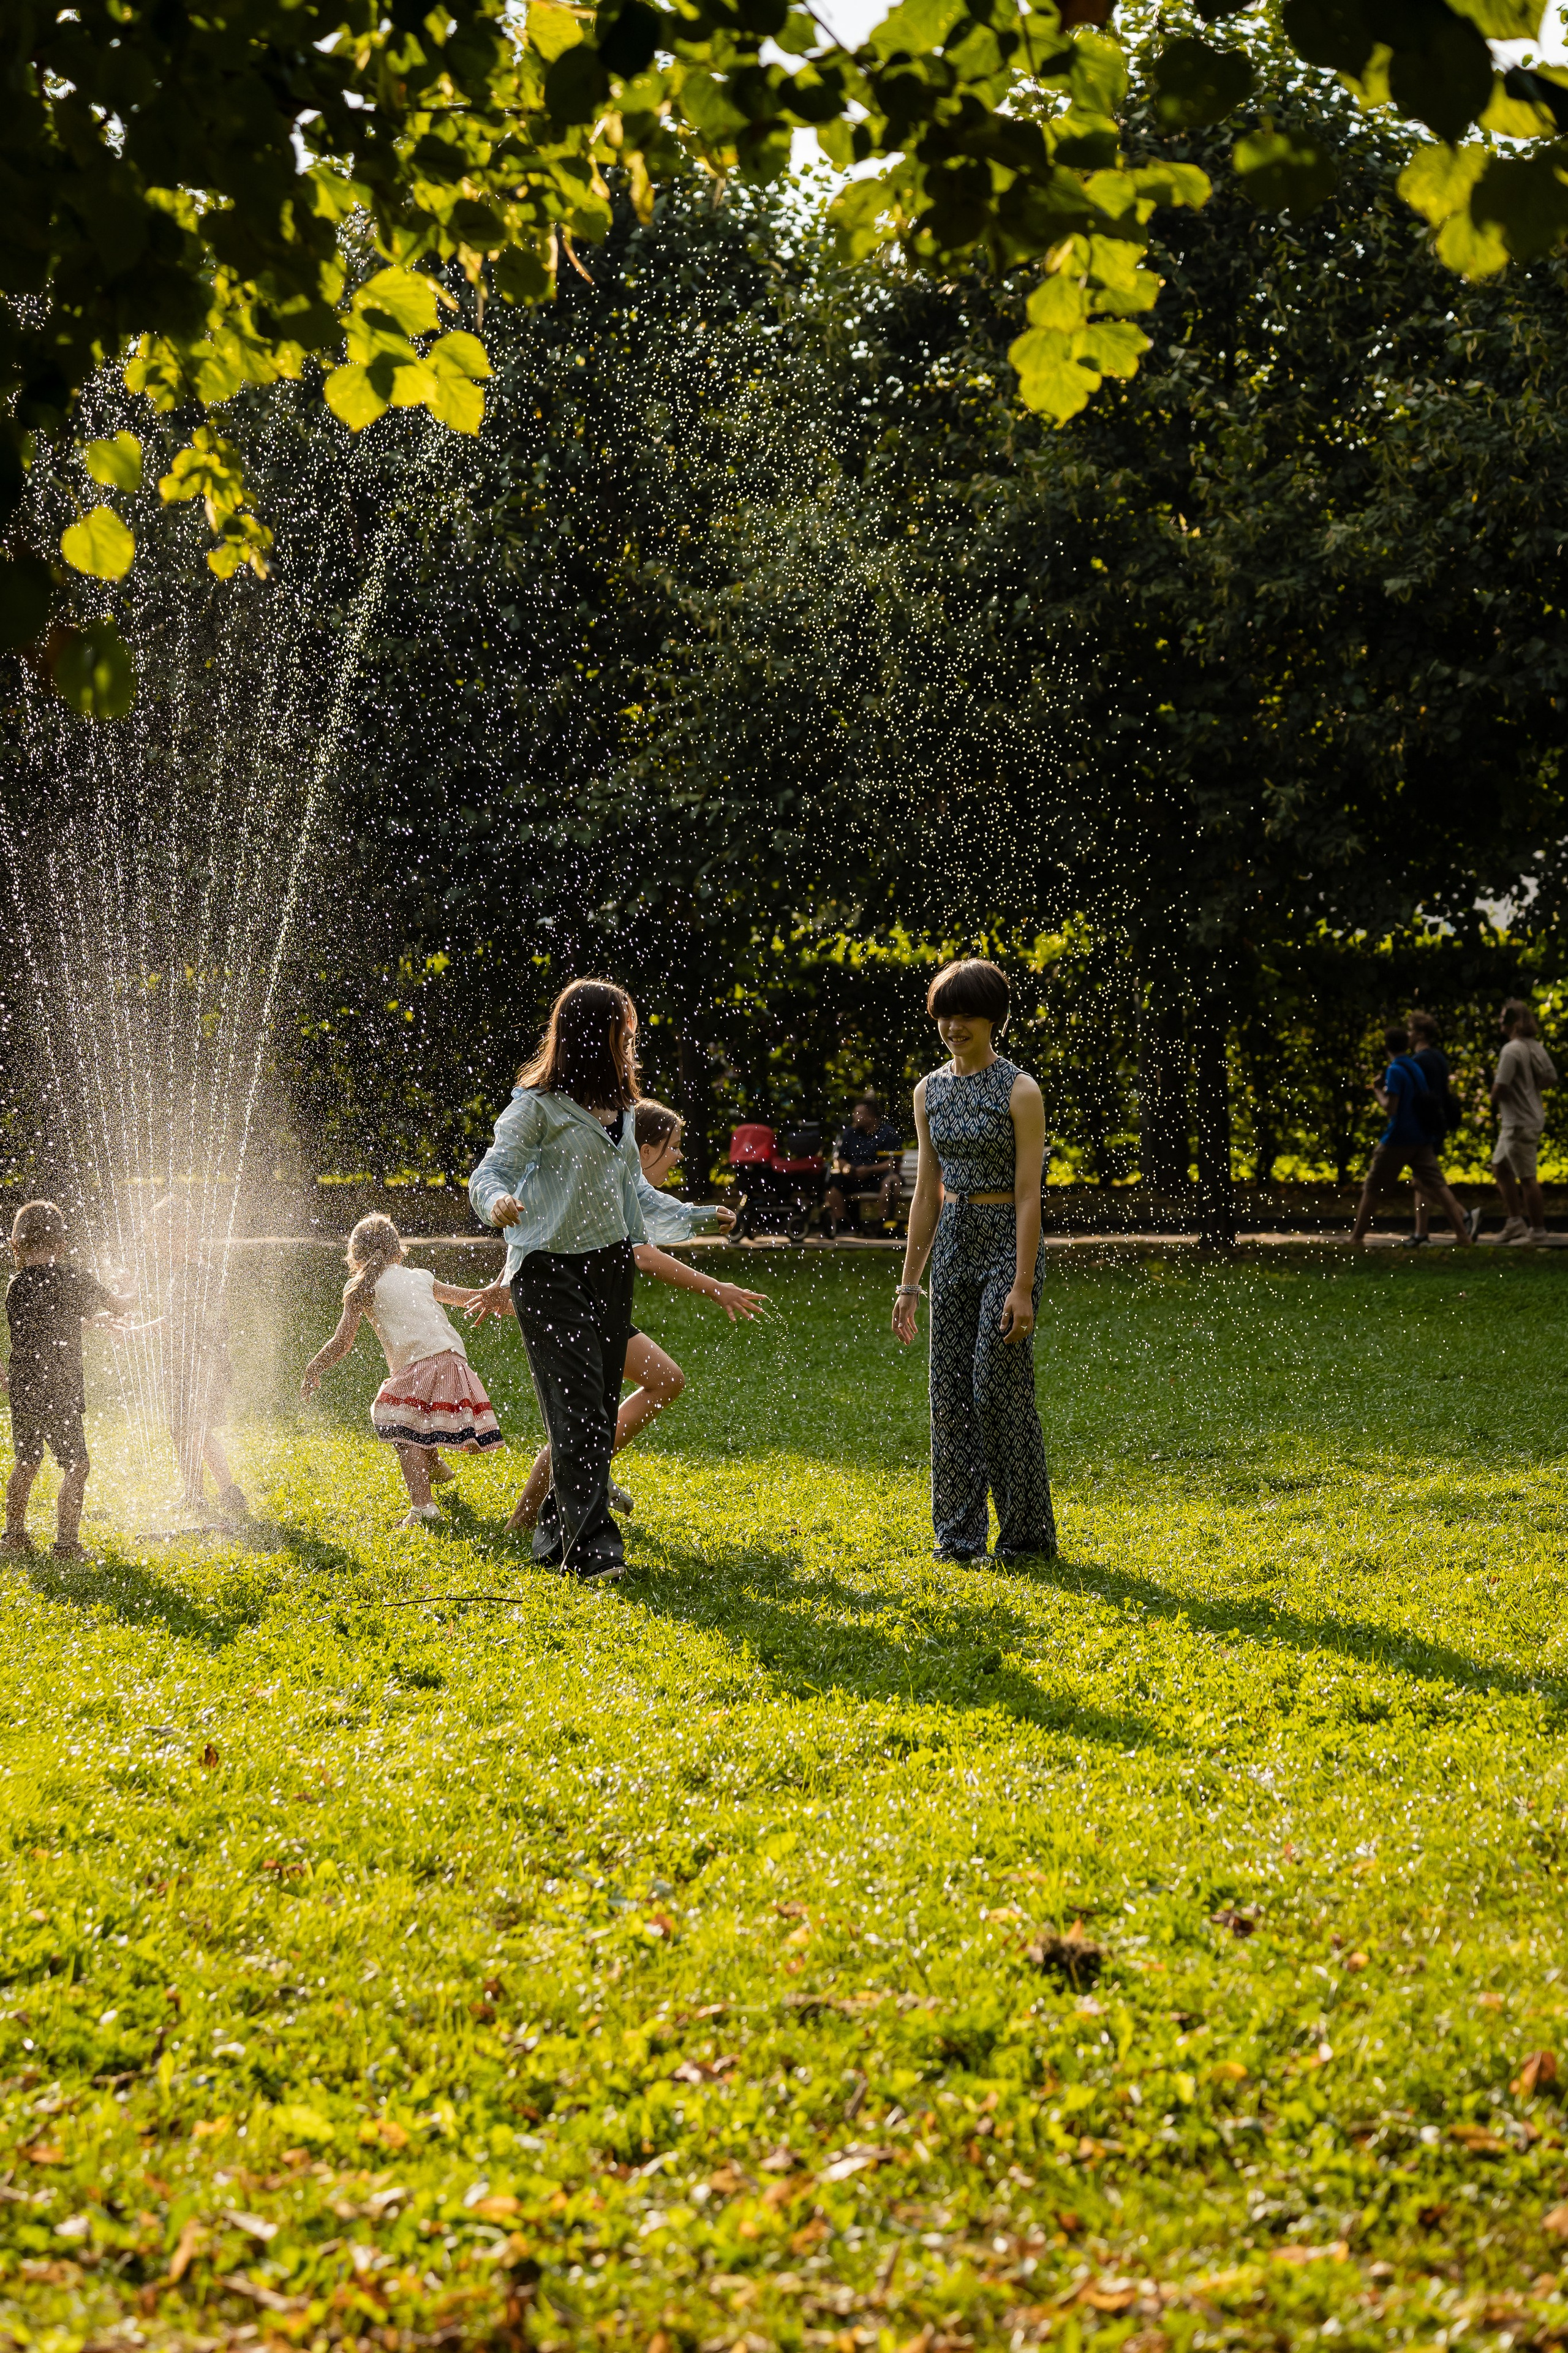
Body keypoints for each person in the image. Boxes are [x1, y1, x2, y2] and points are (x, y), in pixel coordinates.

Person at [472, 1098, 767, 1533]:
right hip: (573, 1303)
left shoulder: (617, 1176)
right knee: (587, 1418)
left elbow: (648, 1205)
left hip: (600, 1305)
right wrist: (716, 1288)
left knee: (654, 1385)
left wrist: (703, 1217)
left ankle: (590, 1470)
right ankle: (529, 1517)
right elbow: (639, 1253)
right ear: (644, 1150)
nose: (678, 1156)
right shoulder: (597, 1167)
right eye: (673, 1146)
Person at [467, 979, 658, 1583]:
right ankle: (594, 1551)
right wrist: (497, 1201)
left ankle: (555, 1534)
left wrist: (703, 1216)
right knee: (578, 1409)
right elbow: (491, 1172)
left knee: (594, 1409)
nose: (630, 1040)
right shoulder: (537, 1106)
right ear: (594, 1034)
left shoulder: (622, 1113)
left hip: (610, 1266)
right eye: (623, 1029)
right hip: (548, 1270)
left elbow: (636, 1195)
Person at [891, 958, 1057, 1565]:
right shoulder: (928, 1091)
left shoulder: (1020, 1090)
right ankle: (958, 1540)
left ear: (993, 1019)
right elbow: (927, 1192)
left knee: (995, 1389)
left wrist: (1022, 1285)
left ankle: (1026, 1538)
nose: (953, 1026)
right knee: (950, 1395)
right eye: (945, 1015)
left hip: (1008, 1244)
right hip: (954, 1244)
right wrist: (909, 1285)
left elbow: (1028, 1194)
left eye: (966, 1015)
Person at [300, 1215, 500, 1530]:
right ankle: (434, 1466)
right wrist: (494, 1294)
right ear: (398, 1251)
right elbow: (465, 1298)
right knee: (415, 1416)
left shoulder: (360, 1287)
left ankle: (423, 1509)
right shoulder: (420, 1277)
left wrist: (314, 1367)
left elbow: (342, 1342)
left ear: (355, 1256)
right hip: (453, 1361)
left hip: (421, 1364)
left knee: (397, 1423)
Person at [1, 1199, 134, 1561]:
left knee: (27, 1460)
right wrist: (129, 1286)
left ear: (16, 1245)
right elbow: (120, 1305)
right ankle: (66, 1545)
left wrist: (87, 1321)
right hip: (60, 1386)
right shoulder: (72, 1277)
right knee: (77, 1465)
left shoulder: (16, 1285)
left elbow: (44, 1328)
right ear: (61, 1245)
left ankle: (13, 1537)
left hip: (25, 1384)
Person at [145, 1195, 249, 1523]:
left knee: (192, 1430)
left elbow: (175, 1323)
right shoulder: (195, 1270)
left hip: (193, 1366)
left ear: (182, 1233)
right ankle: (210, 1492)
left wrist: (132, 1332)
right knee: (190, 1430)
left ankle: (214, 1491)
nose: (156, 1243)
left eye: (161, 1234)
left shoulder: (192, 1273)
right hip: (200, 1364)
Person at [1349, 1023, 1476, 1249]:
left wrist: (1378, 1091)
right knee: (1439, 1186)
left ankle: (1357, 1238)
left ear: (1386, 1047)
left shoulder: (1395, 1071)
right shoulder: (1415, 1066)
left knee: (1372, 1187)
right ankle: (1463, 1236)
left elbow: (1391, 1109)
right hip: (1422, 1137)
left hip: (1398, 1138)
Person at [1484, 998, 1557, 1245]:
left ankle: (1538, 1231)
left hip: (1518, 1123)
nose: (1499, 1021)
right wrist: (1529, 1090)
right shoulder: (1534, 1046)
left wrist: (1493, 1098)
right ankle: (1515, 1222)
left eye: (1503, 1016)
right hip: (1525, 1119)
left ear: (1513, 1021)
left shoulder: (1511, 1050)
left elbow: (1500, 1086)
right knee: (1500, 1167)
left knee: (1527, 1177)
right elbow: (1551, 1077)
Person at [1403, 1013, 1469, 1248]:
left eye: (1410, 1030)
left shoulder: (1420, 1061)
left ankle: (1464, 1216)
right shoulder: (1438, 1057)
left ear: (1420, 1034)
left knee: (1424, 1182)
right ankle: (1421, 1232)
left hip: (1425, 1127)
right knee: (1422, 1179)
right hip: (1438, 1123)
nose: (1408, 1035)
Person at [820, 1096, 904, 1237]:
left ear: (871, 1116)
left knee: (892, 1182)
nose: (855, 1116)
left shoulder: (889, 1133)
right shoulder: (850, 1133)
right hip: (854, 1177)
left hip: (879, 1177)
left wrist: (870, 1170)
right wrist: (847, 1169)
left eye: (859, 1113)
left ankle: (883, 1225)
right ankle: (844, 1224)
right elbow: (841, 1159)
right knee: (832, 1183)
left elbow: (894, 1162)